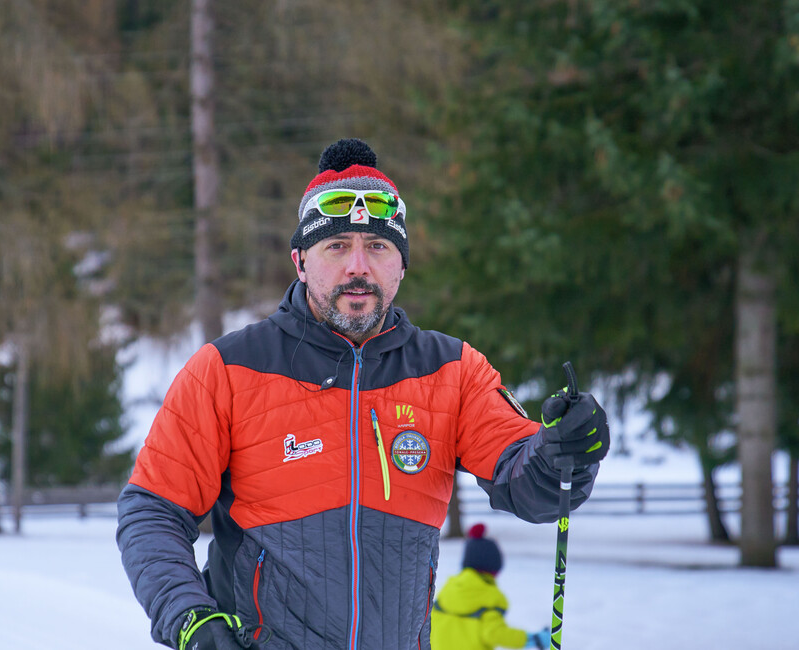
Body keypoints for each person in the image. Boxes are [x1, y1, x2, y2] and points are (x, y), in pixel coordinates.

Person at [116, 138, 609, 650]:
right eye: (336, 246)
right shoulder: (227, 369)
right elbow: (152, 510)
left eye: (377, 247)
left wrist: (563, 451)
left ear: (401, 265)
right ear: (301, 261)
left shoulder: (452, 371)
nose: (358, 267)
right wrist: (191, 619)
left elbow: (530, 485)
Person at [430, 523, 550, 649]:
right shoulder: (491, 597)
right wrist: (532, 639)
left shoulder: (449, 588)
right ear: (493, 567)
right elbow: (495, 633)